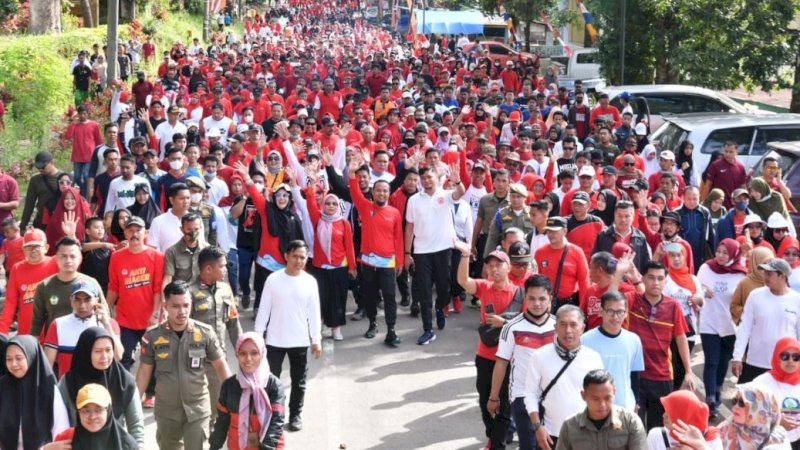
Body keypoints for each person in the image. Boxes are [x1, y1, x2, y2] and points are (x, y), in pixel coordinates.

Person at [136, 280, 232, 450]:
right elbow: (144, 373)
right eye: (176, 306)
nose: (182, 311)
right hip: (166, 411)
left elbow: (221, 366)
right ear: (165, 305)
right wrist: (134, 405)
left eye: (186, 305)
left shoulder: (205, 333)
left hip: (197, 409)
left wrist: (234, 396)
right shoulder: (152, 337)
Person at [454, 240, 520, 449]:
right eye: (490, 265)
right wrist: (465, 255)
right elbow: (463, 280)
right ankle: (493, 438)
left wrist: (505, 323)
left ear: (508, 267)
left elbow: (529, 321)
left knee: (505, 404)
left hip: (509, 358)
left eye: (498, 264)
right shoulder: (484, 287)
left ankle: (496, 444)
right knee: (485, 401)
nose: (494, 269)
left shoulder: (521, 293)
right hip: (485, 355)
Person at [254, 240, 322, 432]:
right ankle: (274, 415)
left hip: (300, 341)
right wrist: (258, 339)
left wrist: (315, 340)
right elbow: (264, 311)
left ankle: (295, 415)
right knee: (271, 381)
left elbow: (314, 313)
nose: (299, 261)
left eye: (303, 257)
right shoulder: (273, 280)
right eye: (295, 256)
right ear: (286, 256)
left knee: (299, 381)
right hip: (274, 341)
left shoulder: (310, 282)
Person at [623, 261, 695, 430]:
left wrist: (689, 371)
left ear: (665, 281)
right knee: (634, 428)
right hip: (635, 374)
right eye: (651, 278)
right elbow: (610, 299)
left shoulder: (673, 306)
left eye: (660, 279)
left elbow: (681, 338)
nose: (655, 283)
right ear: (643, 279)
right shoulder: (632, 299)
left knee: (657, 428)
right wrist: (621, 273)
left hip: (662, 376)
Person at [524, 305, 604, 450]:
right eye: (563, 325)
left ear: (582, 327)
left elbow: (600, 396)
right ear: (555, 327)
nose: (568, 331)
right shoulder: (540, 356)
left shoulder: (593, 358)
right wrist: (537, 427)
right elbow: (530, 394)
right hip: (550, 435)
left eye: (573, 325)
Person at [490, 274, 556, 450]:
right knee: (529, 446)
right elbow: (501, 363)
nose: (537, 303)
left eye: (542, 298)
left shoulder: (559, 326)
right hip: (522, 396)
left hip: (553, 395)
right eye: (531, 298)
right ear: (524, 298)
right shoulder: (511, 327)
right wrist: (494, 397)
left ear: (550, 299)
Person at [404, 164, 465, 344]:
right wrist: (408, 253)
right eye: (423, 178)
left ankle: (440, 307)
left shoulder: (445, 195)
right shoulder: (414, 200)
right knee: (424, 291)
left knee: (444, 288)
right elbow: (409, 227)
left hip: (443, 249)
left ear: (436, 178)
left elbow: (460, 192)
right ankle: (428, 329)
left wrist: (457, 180)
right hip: (422, 251)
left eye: (429, 177)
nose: (426, 181)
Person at [59, 327, 144, 446]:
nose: (104, 356)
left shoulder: (125, 381)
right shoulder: (69, 382)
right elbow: (59, 423)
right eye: (98, 351)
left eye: (108, 350)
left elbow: (136, 426)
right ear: (86, 352)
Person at [190, 246, 243, 424]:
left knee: (218, 406)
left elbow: (233, 323)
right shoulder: (189, 293)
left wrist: (241, 350)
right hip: (194, 361)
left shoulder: (225, 289)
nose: (226, 270)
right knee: (195, 407)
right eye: (222, 266)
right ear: (208, 269)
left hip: (218, 360)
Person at [697, 238, 747, 417]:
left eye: (726, 253)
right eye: (719, 251)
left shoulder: (741, 275)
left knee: (722, 364)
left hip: (730, 326)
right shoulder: (706, 268)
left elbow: (743, 299)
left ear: (733, 254)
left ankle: (717, 393)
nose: (720, 255)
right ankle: (710, 400)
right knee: (711, 361)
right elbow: (695, 286)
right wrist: (702, 289)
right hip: (709, 323)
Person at [210, 332, 286, 450]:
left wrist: (266, 447)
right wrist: (214, 446)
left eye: (254, 353)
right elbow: (222, 423)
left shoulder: (274, 385)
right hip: (237, 446)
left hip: (270, 447)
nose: (248, 359)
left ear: (262, 354)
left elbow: (276, 423)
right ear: (237, 355)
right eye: (243, 353)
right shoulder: (229, 386)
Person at [107, 216, 164, 371]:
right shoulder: (116, 257)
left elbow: (159, 288)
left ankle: (151, 395)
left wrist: (156, 313)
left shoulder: (156, 256)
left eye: (138, 230)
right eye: (130, 231)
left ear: (145, 232)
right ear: (125, 233)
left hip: (150, 320)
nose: (134, 234)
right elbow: (114, 286)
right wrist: (106, 310)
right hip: (126, 320)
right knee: (122, 360)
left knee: (156, 361)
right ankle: (123, 393)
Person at [732, 258, 800, 384]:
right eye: (764, 273)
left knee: (780, 403)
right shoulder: (755, 296)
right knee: (743, 402)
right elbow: (744, 328)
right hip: (755, 361)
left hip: (784, 364)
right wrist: (737, 357)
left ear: (782, 276)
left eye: (769, 274)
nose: (765, 277)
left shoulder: (797, 300)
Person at [0, 335, 70, 450]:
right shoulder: (2, 387)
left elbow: (61, 437)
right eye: (8, 359)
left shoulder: (49, 390)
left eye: (19, 358)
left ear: (31, 357)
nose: (13, 364)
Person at [307, 182, 357, 342]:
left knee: (337, 299)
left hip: (339, 267)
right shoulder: (318, 219)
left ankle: (336, 329)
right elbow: (310, 201)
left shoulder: (344, 223)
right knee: (320, 298)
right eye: (327, 203)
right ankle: (319, 328)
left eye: (334, 203)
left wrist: (352, 267)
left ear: (338, 206)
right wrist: (313, 182)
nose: (330, 206)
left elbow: (349, 246)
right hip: (320, 267)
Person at [30, 237, 107, 338]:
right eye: (63, 256)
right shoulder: (44, 286)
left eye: (72, 256)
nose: (68, 260)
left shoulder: (91, 283)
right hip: (56, 344)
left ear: (80, 258)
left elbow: (104, 312)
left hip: (87, 341)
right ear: (56, 258)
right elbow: (37, 321)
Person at [43, 281, 122, 378]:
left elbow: (118, 356)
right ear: (71, 300)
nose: (82, 305)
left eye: (87, 300)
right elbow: (47, 366)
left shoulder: (109, 324)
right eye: (77, 300)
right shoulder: (58, 324)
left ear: (96, 300)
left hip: (101, 387)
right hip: (68, 387)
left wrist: (106, 324)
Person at [581, 291, 644, 411]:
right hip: (595, 409)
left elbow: (635, 375)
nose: (615, 317)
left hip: (625, 407)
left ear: (626, 313)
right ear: (601, 311)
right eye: (610, 311)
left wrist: (636, 401)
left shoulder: (633, 340)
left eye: (620, 312)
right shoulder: (585, 340)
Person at [555, 370, 647, 450]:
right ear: (583, 396)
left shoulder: (630, 421)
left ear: (614, 392)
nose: (602, 405)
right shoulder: (570, 426)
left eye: (607, 398)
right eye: (596, 399)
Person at [0, 228, 58, 335]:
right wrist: (2, 330)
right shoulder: (17, 269)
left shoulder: (56, 263)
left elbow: (75, 259)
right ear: (23, 249)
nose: (33, 250)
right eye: (28, 247)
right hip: (26, 332)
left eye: (37, 246)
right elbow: (10, 302)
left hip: (52, 333)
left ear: (46, 248)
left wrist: (72, 236)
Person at [48, 383, 138, 450]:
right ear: (78, 413)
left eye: (98, 410)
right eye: (86, 411)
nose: (92, 416)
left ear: (108, 411)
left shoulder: (126, 444)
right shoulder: (65, 440)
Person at [663, 243, 703, 390]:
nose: (676, 259)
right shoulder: (665, 279)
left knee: (681, 371)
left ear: (685, 256)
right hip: (670, 332)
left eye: (679, 255)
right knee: (670, 369)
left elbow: (701, 299)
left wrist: (697, 299)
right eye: (672, 256)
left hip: (689, 330)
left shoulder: (693, 278)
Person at [534, 216, 589, 313]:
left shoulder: (576, 252)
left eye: (554, 231)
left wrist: (583, 308)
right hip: (546, 304)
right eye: (548, 231)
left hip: (569, 304)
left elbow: (584, 282)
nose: (550, 234)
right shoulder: (540, 252)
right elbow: (534, 279)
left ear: (564, 231)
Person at [753, 337, 800, 449]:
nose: (790, 361)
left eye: (796, 357)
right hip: (769, 443)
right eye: (784, 356)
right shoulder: (761, 383)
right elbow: (748, 414)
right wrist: (776, 421)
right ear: (776, 357)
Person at [645, 390, 722, 450]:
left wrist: (701, 447)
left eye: (670, 413)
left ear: (684, 415)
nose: (663, 416)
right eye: (665, 411)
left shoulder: (711, 439)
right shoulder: (656, 436)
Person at [20, 151, 64, 231]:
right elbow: (29, 204)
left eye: (43, 167)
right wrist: (23, 226)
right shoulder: (35, 180)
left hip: (60, 221)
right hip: (41, 222)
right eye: (38, 167)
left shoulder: (64, 178)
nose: (40, 169)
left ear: (52, 163)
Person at [730, 246, 775, 324]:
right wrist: (749, 312)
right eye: (764, 263)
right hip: (752, 329)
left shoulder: (776, 281)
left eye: (771, 263)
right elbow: (734, 306)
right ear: (756, 263)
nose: (768, 267)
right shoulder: (744, 283)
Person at [162, 212, 209, 287]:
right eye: (189, 229)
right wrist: (164, 298)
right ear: (182, 229)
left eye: (196, 229)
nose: (193, 233)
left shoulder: (207, 250)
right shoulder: (172, 252)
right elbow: (168, 278)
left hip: (203, 292)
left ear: (200, 228)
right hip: (181, 293)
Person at [701, 141, 747, 209]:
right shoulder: (715, 165)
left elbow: (743, 187)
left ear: (736, 152)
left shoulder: (740, 167)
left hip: (734, 206)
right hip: (717, 206)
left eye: (731, 152)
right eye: (726, 151)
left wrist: (746, 202)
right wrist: (702, 202)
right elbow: (708, 185)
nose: (727, 154)